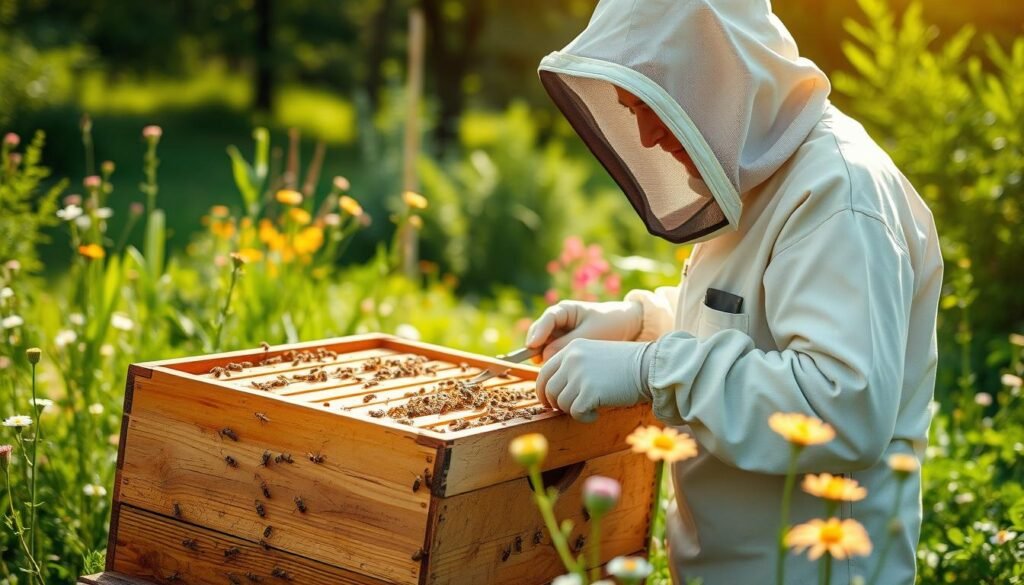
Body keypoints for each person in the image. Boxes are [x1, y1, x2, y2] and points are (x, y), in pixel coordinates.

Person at [524, 0, 943, 583]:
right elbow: (749, 323)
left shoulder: (840, 196)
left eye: (653, 103)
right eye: (631, 108)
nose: (645, 135)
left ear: (716, 72)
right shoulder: (759, 166)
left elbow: (840, 404)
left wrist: (651, 369)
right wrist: (636, 321)